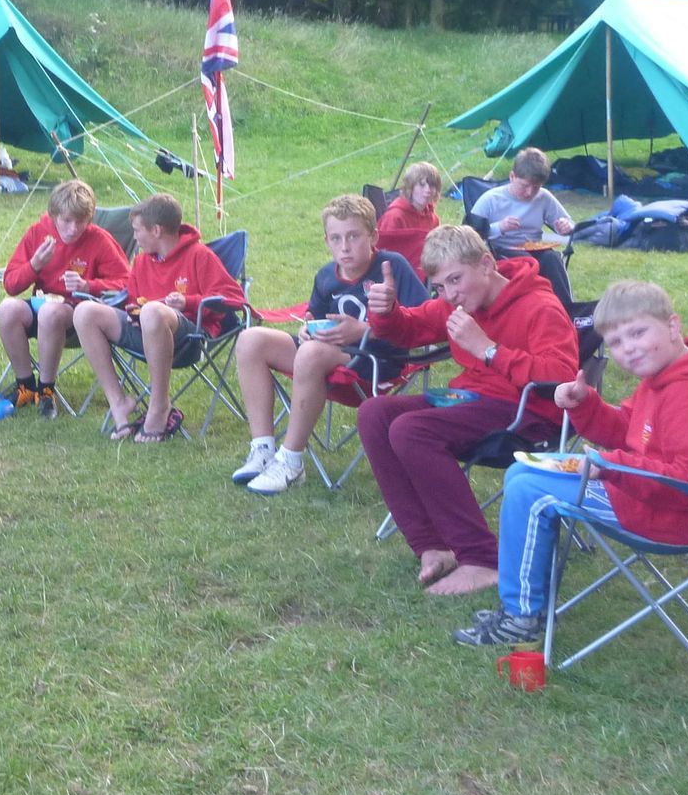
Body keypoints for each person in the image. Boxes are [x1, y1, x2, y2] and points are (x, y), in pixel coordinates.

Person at [452, 281, 688, 645]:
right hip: (652, 493)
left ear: (673, 326)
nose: (630, 350)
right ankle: (528, 603)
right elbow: (630, 430)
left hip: (678, 514)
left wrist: (610, 467)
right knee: (522, 471)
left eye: (638, 333)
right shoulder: (665, 374)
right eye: (617, 343)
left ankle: (522, 617)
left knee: (530, 491)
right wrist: (584, 404)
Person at [360, 224, 580, 595]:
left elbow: (560, 378)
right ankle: (433, 546)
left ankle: (482, 559)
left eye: (455, 280)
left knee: (411, 430)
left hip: (528, 413)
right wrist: (386, 313)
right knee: (374, 414)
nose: (450, 294)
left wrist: (489, 350)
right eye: (441, 287)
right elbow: (410, 330)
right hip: (473, 402)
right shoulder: (457, 302)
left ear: (486, 264)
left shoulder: (539, 306)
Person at [230, 193, 428, 494]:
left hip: (378, 363)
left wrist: (365, 329)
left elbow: (424, 323)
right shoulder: (326, 276)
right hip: (328, 355)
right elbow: (316, 317)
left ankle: (292, 461)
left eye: (353, 236)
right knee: (250, 339)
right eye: (336, 238)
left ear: (373, 235)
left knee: (310, 353)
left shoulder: (393, 266)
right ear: (326, 241)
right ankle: (262, 449)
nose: (345, 246)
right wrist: (308, 329)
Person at [72, 192, 244, 443]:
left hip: (188, 339)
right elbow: (133, 299)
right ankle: (119, 403)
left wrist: (189, 302)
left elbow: (234, 297)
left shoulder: (199, 255)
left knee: (153, 311)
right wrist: (132, 311)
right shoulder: (141, 262)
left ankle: (159, 406)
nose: (134, 237)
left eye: (137, 230)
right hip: (144, 332)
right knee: (84, 311)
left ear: (156, 230)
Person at [0, 178, 130, 418]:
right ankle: (25, 386)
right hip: (41, 303)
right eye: (66, 221)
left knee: (51, 312)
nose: (73, 229)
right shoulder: (38, 233)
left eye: (81, 222)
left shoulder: (99, 240)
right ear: (54, 215)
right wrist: (34, 265)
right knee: (7, 309)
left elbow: (127, 283)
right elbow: (11, 285)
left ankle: (46, 391)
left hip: (80, 315)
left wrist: (89, 285)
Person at [470, 148, 574, 252]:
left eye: (536, 187)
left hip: (535, 250)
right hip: (500, 252)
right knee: (529, 263)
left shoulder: (544, 197)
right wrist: (500, 227)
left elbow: (570, 224)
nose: (529, 192)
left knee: (552, 259)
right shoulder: (490, 199)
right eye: (524, 186)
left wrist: (565, 226)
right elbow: (469, 235)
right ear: (512, 176)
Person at [376, 162, 442, 275]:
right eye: (421, 185)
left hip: (427, 272)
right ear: (410, 187)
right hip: (398, 273)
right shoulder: (395, 217)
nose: (427, 190)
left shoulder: (433, 218)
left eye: (432, 186)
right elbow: (381, 254)